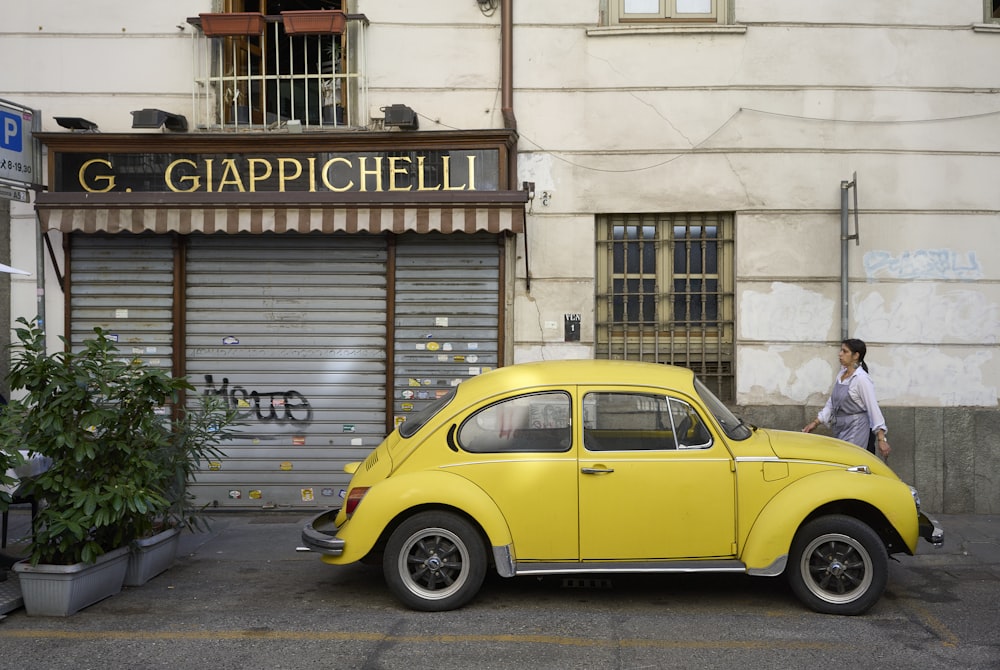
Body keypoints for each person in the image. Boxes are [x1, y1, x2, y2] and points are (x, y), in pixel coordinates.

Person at [802, 338, 890, 459]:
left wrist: (881, 438)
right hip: (841, 427)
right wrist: (816, 422)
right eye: (841, 350)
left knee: (850, 461)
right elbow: (832, 404)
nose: (840, 354)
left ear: (856, 355)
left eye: (845, 351)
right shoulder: (841, 375)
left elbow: (873, 408)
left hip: (856, 428)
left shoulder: (861, 379)